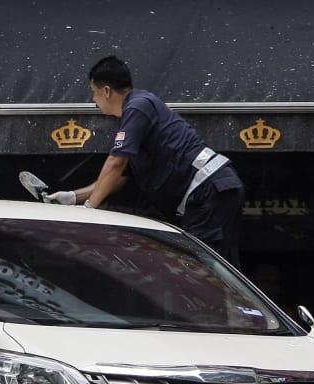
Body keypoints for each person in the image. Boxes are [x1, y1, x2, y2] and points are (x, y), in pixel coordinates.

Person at [43, 55, 245, 267]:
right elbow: (119, 177)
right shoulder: (138, 112)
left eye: (94, 93)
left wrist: (88, 211)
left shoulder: (137, 107)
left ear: (106, 91)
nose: (94, 100)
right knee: (216, 269)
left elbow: (115, 163)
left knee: (202, 271)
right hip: (211, 190)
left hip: (209, 189)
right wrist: (74, 196)